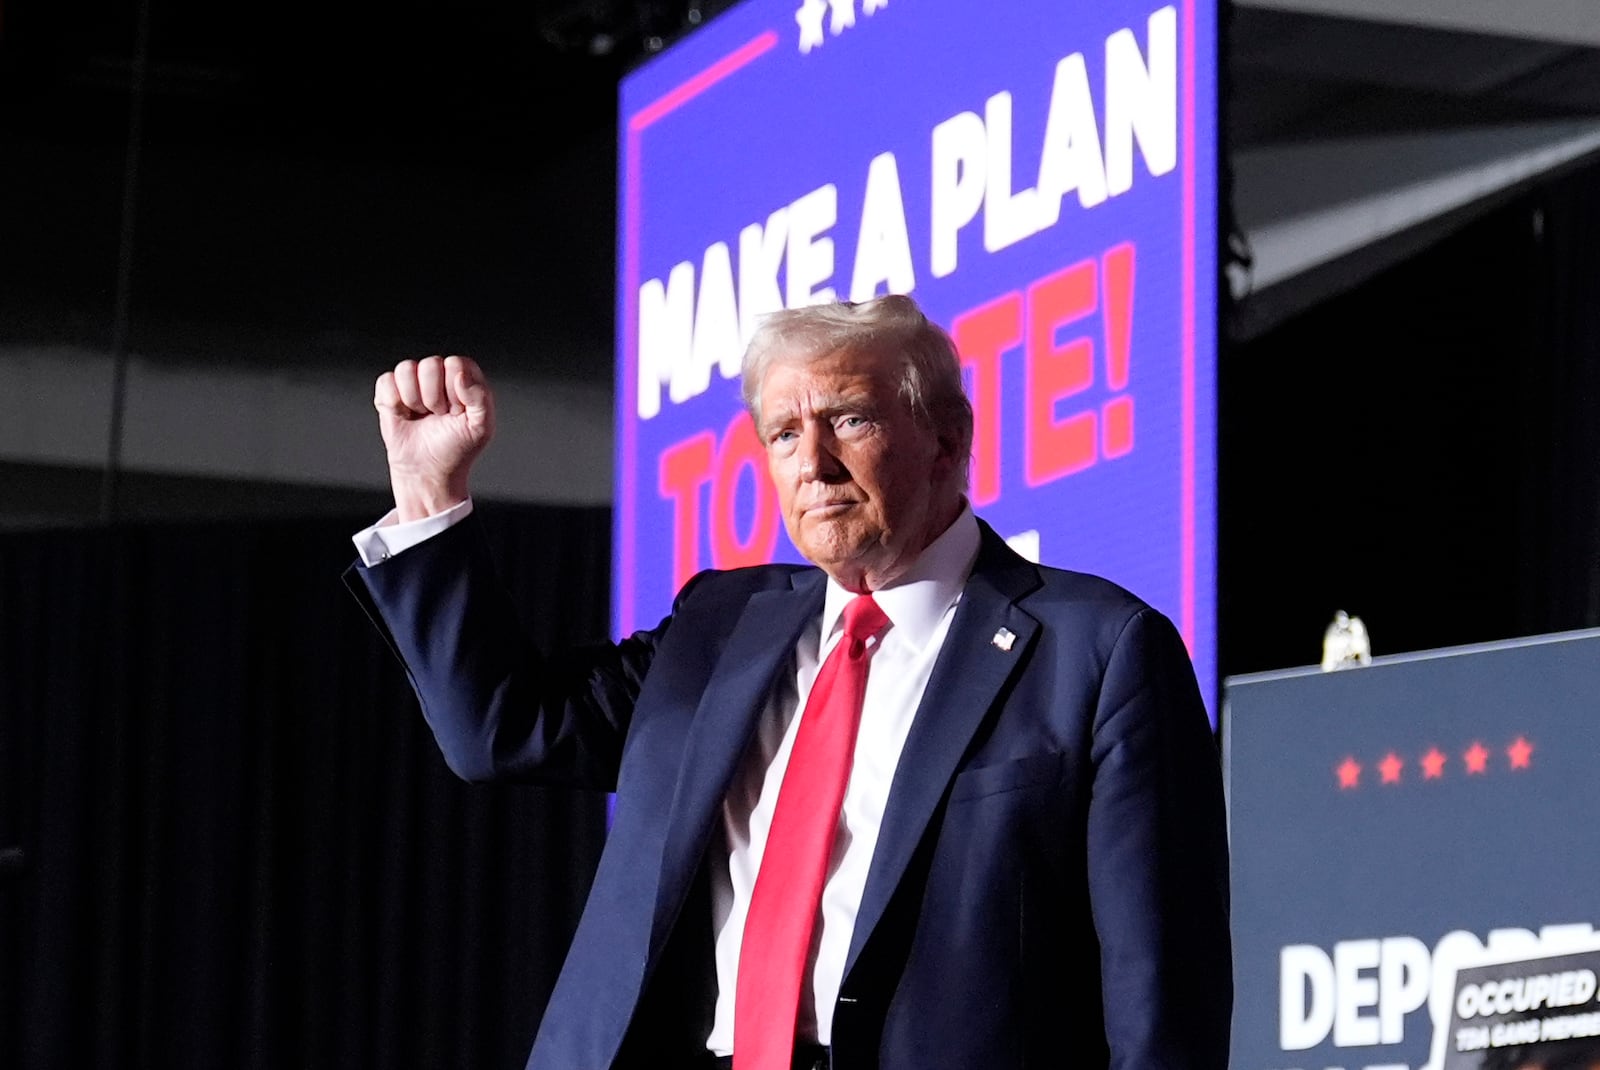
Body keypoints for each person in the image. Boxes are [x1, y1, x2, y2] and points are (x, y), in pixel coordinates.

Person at [348, 295, 1232, 1070]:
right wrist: (430, 494)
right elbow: (501, 731)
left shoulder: (1100, 650)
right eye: (782, 433)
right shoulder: (720, 628)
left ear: (947, 439)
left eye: (849, 419)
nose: (812, 461)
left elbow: (1162, 1002)